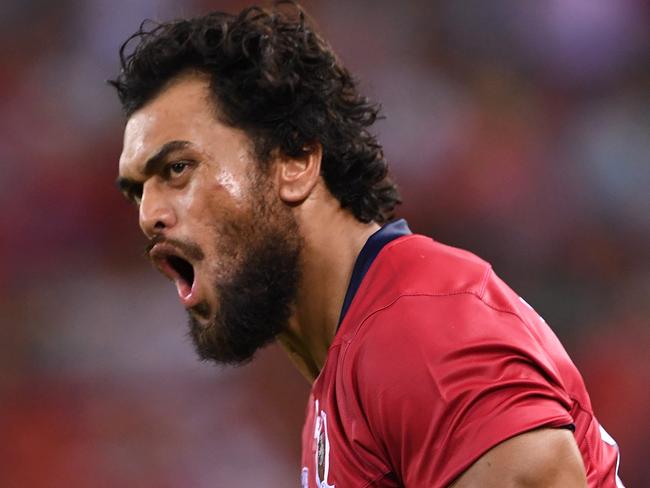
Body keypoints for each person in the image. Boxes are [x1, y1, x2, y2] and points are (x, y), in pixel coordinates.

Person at [111, 3, 623, 487]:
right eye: (137, 190)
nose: (148, 216)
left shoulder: (421, 333)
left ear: (294, 162)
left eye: (177, 169)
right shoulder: (347, 373)